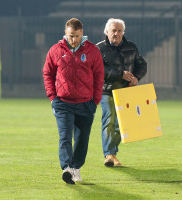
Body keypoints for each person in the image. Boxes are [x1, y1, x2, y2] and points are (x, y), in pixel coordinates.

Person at [43, 18, 104, 184]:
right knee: (64, 137)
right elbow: (47, 73)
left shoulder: (92, 51)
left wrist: (95, 100)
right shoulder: (55, 50)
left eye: (77, 36)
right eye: (70, 36)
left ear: (82, 33)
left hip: (86, 103)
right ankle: (67, 168)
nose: (74, 39)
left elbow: (99, 76)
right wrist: (53, 97)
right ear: (65, 33)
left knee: (82, 138)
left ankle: (76, 167)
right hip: (63, 103)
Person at [96, 18, 147, 167]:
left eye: (119, 31)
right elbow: (98, 70)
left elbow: (142, 65)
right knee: (109, 119)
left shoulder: (131, 47)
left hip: (126, 92)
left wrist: (137, 77)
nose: (116, 33)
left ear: (123, 32)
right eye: (113, 30)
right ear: (106, 31)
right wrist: (120, 73)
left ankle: (112, 153)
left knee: (121, 124)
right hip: (106, 90)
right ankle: (109, 154)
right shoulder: (98, 48)